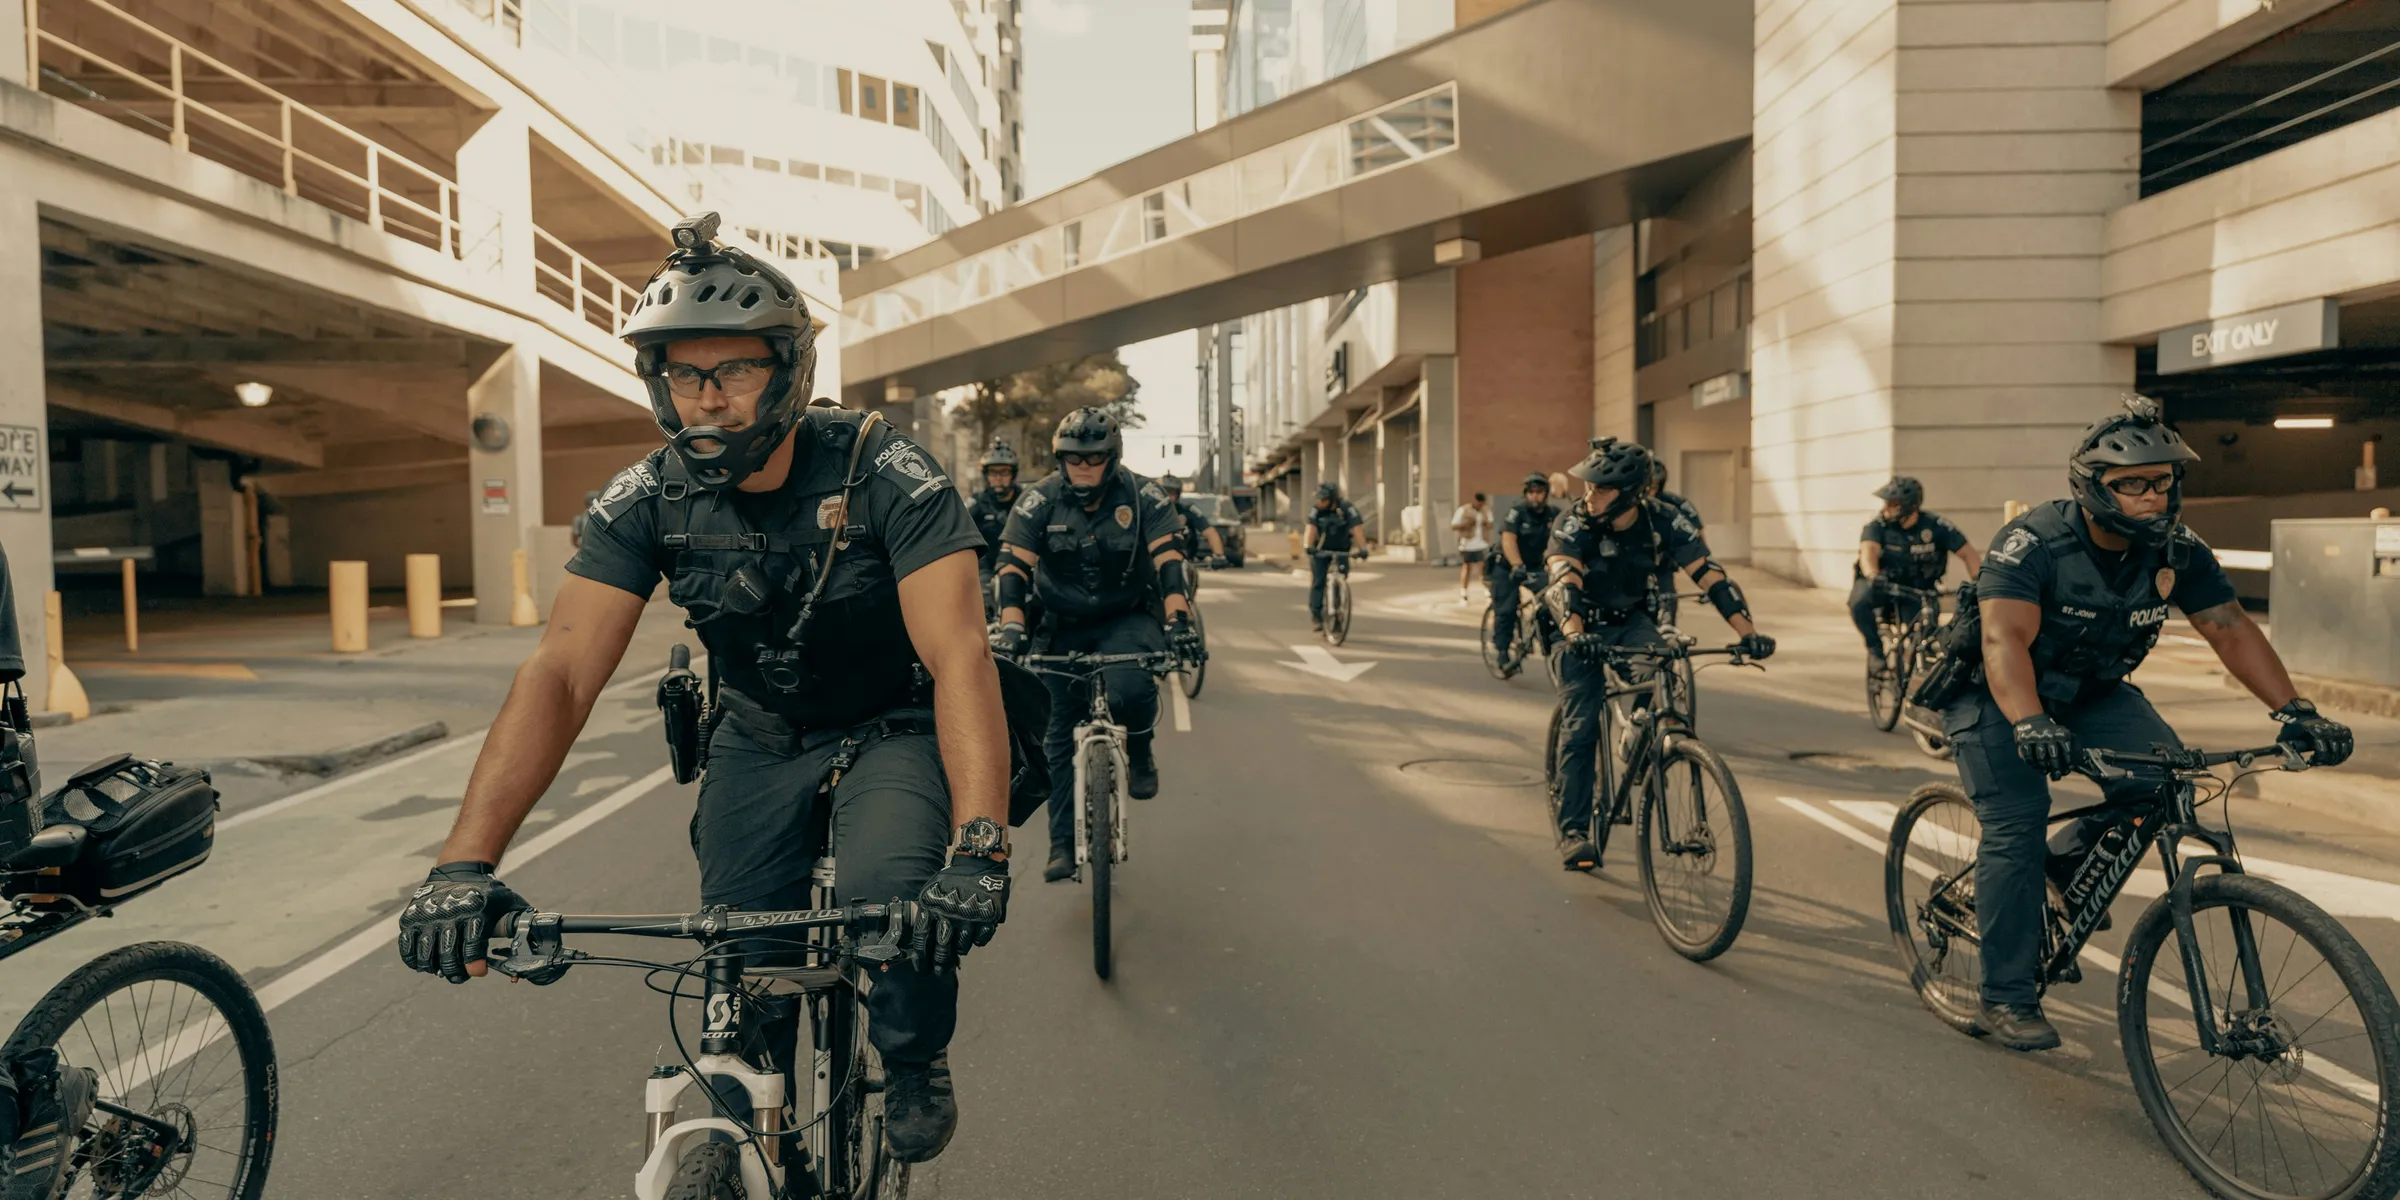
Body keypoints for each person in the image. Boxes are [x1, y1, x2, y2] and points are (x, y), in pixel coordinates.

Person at [393, 213, 1012, 1165]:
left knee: (893, 902)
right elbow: (559, 673)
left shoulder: (889, 473)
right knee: (740, 958)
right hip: (758, 734)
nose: (707, 399)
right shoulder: (646, 497)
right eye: (684, 374)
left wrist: (979, 845)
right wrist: (461, 867)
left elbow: (962, 656)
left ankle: (916, 1054)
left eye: (732, 372)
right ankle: (747, 1138)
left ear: (789, 372)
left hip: (892, 724)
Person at [1948, 397, 2353, 1053]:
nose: (2150, 496)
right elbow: (2003, 643)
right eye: (2131, 484)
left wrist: (2295, 711)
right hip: (1999, 698)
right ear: (2094, 488)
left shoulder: (2177, 550)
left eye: (2161, 482)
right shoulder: (2033, 543)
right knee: (2016, 823)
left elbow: (2228, 627)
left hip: (2096, 693)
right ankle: (2005, 994)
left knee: (2165, 785)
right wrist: (2029, 723)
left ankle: (2059, 874)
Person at [990, 408, 1202, 883]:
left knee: (1131, 692)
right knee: (1054, 738)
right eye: (1072, 460)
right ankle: (1062, 845)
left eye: (1093, 460)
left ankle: (1142, 749)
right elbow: (1011, 568)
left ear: (1113, 458)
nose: (1082, 469)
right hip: (1061, 623)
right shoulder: (1038, 499)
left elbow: (1169, 562)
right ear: (1060, 459)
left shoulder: (1143, 495)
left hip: (1125, 617)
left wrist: (1179, 621)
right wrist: (1011, 627)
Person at [1545, 439, 1774, 871]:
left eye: (1601, 488)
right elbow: (1563, 581)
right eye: (1588, 486)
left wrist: (1749, 634)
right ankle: (1574, 830)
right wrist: (1576, 634)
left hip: (1632, 619)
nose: (1589, 494)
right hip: (1574, 625)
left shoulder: (1663, 520)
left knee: (1666, 668)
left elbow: (1710, 574)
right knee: (1581, 723)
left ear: (1630, 493)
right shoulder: (1573, 522)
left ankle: (1638, 725)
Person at [1850, 476, 1979, 673]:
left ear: (1908, 507)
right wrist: (1873, 574)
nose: (1885, 508)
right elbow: (1869, 551)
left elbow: (1968, 554)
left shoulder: (1936, 526)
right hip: (1883, 584)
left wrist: (1979, 583)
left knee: (1925, 633)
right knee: (1859, 602)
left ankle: (1916, 669)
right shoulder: (1877, 526)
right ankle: (1875, 649)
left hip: (1918, 588)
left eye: (1892, 504)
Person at [1486, 472, 1560, 675]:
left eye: (1540, 492)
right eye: (1531, 492)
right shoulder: (1516, 512)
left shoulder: (1553, 514)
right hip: (1508, 565)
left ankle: (1546, 639)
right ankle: (1502, 651)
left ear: (1546, 494)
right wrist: (1517, 564)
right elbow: (1508, 540)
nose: (1535, 496)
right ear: (1526, 494)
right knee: (1507, 609)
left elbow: (1560, 541)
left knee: (1553, 599)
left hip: (1535, 566)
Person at [1303, 481, 1366, 632]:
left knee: (1341, 578)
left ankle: (1338, 614)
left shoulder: (1346, 508)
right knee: (1318, 581)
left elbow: (1357, 528)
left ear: (1332, 499)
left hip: (1342, 549)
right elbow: (1310, 528)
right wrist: (1308, 546)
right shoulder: (1316, 510)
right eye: (1319, 499)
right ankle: (1317, 615)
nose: (1320, 502)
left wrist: (1363, 548)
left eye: (1323, 499)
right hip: (1320, 550)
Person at [968, 439, 1021, 616]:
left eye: (1004, 472)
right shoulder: (977, 504)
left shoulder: (1025, 501)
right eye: (993, 472)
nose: (998, 478)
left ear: (1013, 474)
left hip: (1021, 565)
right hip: (986, 568)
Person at [1648, 461, 1703, 625]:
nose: (1650, 491)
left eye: (1655, 486)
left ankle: (1669, 628)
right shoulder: (1626, 504)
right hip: (1635, 562)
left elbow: (1698, 534)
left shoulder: (1675, 504)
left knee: (1668, 598)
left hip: (1664, 563)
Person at [1157, 473, 1227, 569]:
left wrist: (1219, 556)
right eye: (1165, 493)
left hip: (1183, 563)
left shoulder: (1188, 511)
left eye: (1172, 493)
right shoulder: (1147, 511)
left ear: (1178, 495)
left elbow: (1210, 532)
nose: (1168, 497)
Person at [1451, 492, 1491, 603]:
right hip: (1467, 543)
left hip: (1481, 543)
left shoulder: (1485, 510)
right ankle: (1464, 592)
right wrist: (1466, 524)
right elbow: (1454, 525)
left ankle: (1487, 591)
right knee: (1467, 567)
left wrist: (1486, 524)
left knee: (1482, 567)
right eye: (1479, 503)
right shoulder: (1463, 510)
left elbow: (1490, 524)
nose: (1480, 506)